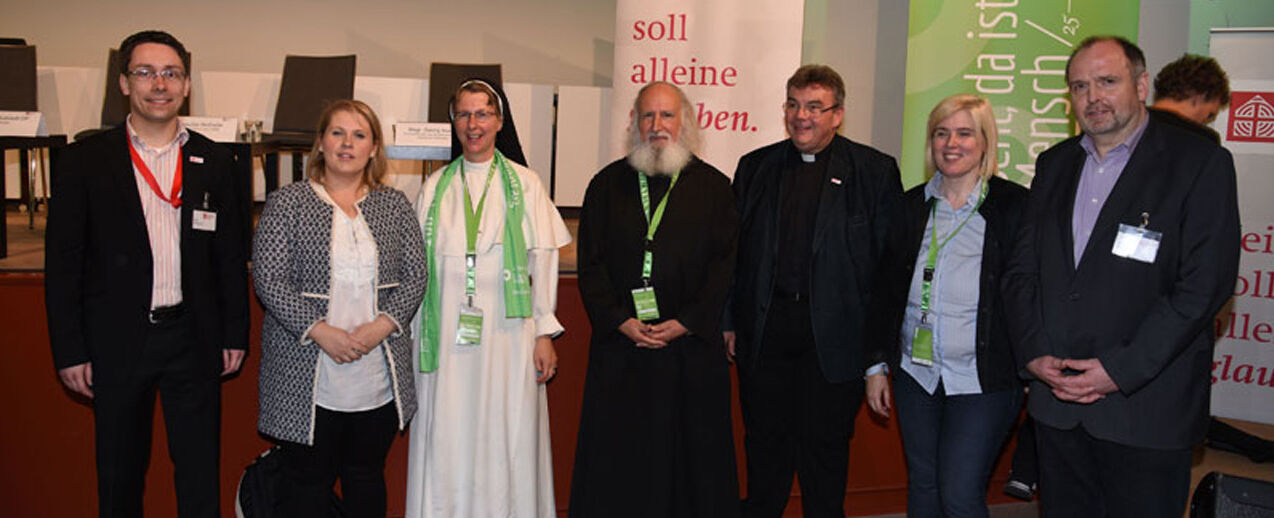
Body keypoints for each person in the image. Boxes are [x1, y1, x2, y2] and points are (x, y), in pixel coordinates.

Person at [1004, 36, 1240, 516]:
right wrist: (1032, 354)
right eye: (1079, 86)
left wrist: (1119, 370)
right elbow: (1022, 270)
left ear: (1142, 84)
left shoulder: (1199, 163)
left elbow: (1203, 287)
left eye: (1107, 82)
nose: (1093, 97)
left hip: (1146, 411)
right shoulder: (1055, 164)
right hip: (1059, 405)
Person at [44, 30, 248, 518]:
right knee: (119, 476)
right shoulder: (84, 161)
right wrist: (70, 349)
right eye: (145, 72)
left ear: (186, 84)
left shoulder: (217, 161)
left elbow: (229, 257)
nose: (159, 84)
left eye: (171, 73)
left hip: (193, 338)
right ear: (123, 83)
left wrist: (234, 332)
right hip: (116, 340)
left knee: (199, 475)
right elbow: (63, 264)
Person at [727, 64, 902, 518]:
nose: (801, 116)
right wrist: (729, 321)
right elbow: (734, 255)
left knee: (824, 457)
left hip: (835, 341)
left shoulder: (874, 171)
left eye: (814, 107)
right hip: (766, 333)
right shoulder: (755, 168)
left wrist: (877, 354)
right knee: (765, 450)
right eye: (793, 105)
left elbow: (888, 272)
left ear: (838, 114)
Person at [570, 81, 740, 517]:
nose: (657, 126)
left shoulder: (715, 188)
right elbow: (591, 266)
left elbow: (726, 267)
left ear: (684, 121)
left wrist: (687, 321)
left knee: (691, 468)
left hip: (689, 353)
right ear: (634, 122)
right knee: (621, 465)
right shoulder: (605, 186)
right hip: (623, 353)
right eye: (648, 116)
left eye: (666, 115)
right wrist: (620, 321)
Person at [253, 99, 426, 517]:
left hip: (375, 374)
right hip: (306, 370)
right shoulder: (287, 203)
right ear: (320, 143)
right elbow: (269, 280)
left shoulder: (395, 206)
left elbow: (416, 276)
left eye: (359, 135)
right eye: (337, 133)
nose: (347, 143)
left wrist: (381, 327)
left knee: (365, 477)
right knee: (306, 484)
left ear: (374, 148)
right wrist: (320, 330)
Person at [407, 79, 570, 518]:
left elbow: (545, 259)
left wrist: (544, 331)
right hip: (444, 337)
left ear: (499, 121)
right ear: (454, 123)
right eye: (463, 114)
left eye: (482, 114)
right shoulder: (434, 186)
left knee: (506, 433)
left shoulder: (526, 184)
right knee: (448, 433)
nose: (472, 124)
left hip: (509, 333)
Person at [864, 94, 1026, 517]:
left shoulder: (1014, 207)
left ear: (985, 142)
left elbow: (1030, 293)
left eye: (964, 133)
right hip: (916, 374)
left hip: (983, 377)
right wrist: (877, 365)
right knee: (923, 485)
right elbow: (883, 292)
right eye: (941, 133)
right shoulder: (908, 207)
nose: (951, 143)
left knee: (958, 491)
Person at [1150, 53, 1230, 142]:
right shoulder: (1203, 139)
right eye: (1209, 115)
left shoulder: (1134, 123)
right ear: (1201, 96)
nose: (1204, 123)